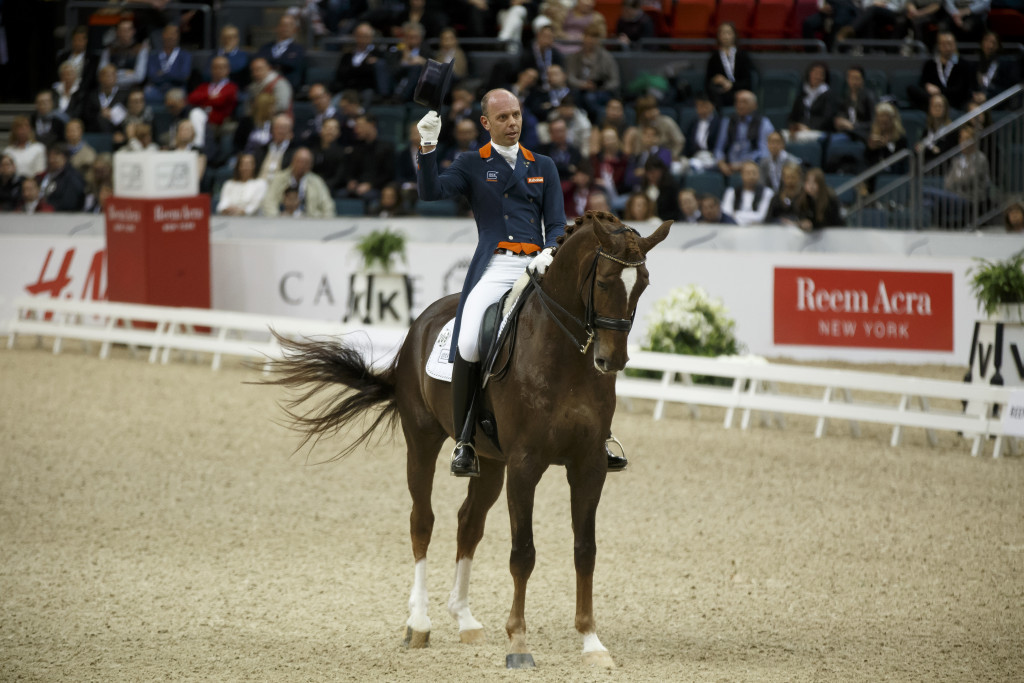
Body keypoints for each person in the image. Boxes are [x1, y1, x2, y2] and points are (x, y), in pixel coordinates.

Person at [417, 89, 629, 477]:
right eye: (503, 118)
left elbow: (557, 221)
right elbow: (431, 192)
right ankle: (465, 440)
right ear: (486, 124)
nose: (512, 123)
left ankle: (601, 432)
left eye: (516, 115)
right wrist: (428, 144)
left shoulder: (542, 163)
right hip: (497, 265)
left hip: (541, 262)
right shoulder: (471, 163)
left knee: (584, 323)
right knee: (468, 339)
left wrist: (552, 250)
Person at [565, 23, 621, 122]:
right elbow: (570, 77)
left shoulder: (607, 57)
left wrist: (600, 86)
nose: (591, 41)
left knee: (590, 97)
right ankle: (581, 121)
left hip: (601, 91)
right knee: (574, 96)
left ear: (599, 40)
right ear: (584, 37)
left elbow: (615, 81)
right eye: (589, 37)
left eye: (594, 38)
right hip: (579, 90)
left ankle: (597, 121)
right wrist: (582, 84)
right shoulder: (575, 57)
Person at [908, 31, 976, 111]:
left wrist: (939, 91)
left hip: (953, 100)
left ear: (955, 45)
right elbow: (923, 83)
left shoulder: (964, 65)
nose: (947, 47)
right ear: (938, 45)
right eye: (943, 44)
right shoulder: (930, 64)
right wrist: (927, 87)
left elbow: (962, 89)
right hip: (932, 98)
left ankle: (939, 106)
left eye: (949, 44)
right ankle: (935, 106)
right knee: (911, 89)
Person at [715, 90, 775, 178]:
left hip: (753, 165)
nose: (740, 105)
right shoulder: (727, 122)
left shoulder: (763, 123)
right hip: (728, 166)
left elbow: (765, 152)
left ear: (755, 105)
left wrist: (744, 164)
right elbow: (719, 148)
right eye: (738, 102)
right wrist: (721, 163)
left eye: (744, 102)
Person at [262, 147, 336, 218]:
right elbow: (269, 202)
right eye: (299, 161)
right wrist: (276, 218)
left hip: (311, 222)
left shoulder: (317, 181)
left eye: (306, 162)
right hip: (283, 220)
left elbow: (328, 206)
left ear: (310, 165)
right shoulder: (279, 179)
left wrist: (323, 223)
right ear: (293, 161)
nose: (302, 165)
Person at [343, 112, 395, 207]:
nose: (356, 130)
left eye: (360, 126)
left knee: (368, 195)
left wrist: (370, 185)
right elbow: (350, 171)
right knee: (342, 194)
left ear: (371, 125)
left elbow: (388, 174)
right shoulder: (356, 148)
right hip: (358, 187)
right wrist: (351, 181)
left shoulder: (386, 147)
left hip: (377, 187)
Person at [330, 23, 388, 104]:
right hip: (347, 90)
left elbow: (374, 76)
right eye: (359, 36)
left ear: (371, 38)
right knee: (335, 102)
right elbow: (340, 74)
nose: (362, 39)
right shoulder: (347, 55)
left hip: (366, 90)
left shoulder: (377, 54)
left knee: (367, 96)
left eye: (365, 36)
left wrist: (354, 71)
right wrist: (363, 67)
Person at [704, 22, 755, 109]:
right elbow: (708, 81)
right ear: (718, 36)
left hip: (739, 91)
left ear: (734, 35)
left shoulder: (742, 56)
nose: (726, 36)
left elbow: (747, 81)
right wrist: (716, 80)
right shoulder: (714, 57)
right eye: (723, 33)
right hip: (720, 94)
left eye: (729, 33)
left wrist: (731, 85)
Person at [787, 61, 836, 142]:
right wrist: (793, 127)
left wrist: (808, 127)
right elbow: (792, 116)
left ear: (824, 77)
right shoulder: (802, 94)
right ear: (809, 74)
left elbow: (827, 119)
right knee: (782, 136)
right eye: (814, 73)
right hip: (800, 129)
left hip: (818, 131)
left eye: (820, 74)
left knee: (799, 138)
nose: (817, 76)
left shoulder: (828, 95)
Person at [256, 13, 307, 91]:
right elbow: (258, 61)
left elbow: (291, 63)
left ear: (295, 29)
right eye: (283, 25)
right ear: (277, 27)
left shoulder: (298, 49)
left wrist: (269, 64)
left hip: (288, 88)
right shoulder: (265, 47)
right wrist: (280, 63)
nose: (285, 28)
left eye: (289, 25)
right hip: (263, 87)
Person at [145, 24, 192, 104]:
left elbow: (184, 76)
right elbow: (151, 76)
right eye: (168, 33)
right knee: (147, 93)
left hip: (177, 88)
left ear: (178, 36)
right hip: (157, 88)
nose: (170, 37)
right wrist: (174, 74)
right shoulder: (154, 56)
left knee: (176, 97)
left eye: (174, 34)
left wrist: (163, 73)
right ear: (163, 35)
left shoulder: (185, 55)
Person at [188, 56, 239, 129]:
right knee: (196, 114)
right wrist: (210, 97)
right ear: (211, 69)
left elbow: (220, 101)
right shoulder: (204, 86)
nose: (218, 70)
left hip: (218, 121)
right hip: (202, 117)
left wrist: (202, 101)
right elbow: (191, 98)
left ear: (228, 69)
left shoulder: (231, 87)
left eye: (221, 68)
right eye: (215, 67)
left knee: (196, 114)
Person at [832, 66, 877, 144]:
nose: (854, 82)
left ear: (862, 80)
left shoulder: (869, 97)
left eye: (857, 78)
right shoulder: (845, 96)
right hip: (848, 132)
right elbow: (841, 113)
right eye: (851, 78)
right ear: (847, 79)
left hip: (863, 133)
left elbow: (874, 122)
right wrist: (840, 120)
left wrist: (853, 126)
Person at [99, 19, 148, 89]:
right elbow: (101, 73)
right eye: (122, 30)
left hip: (131, 89)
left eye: (127, 30)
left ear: (133, 31)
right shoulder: (109, 49)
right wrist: (125, 73)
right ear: (117, 32)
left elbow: (139, 77)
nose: (124, 33)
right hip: (110, 88)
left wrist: (113, 75)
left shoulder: (140, 49)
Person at [721, 161, 774, 225]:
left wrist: (736, 214)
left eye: (754, 173)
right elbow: (727, 214)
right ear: (742, 175)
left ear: (758, 175)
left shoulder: (767, 192)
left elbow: (761, 216)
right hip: (735, 229)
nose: (751, 176)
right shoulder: (731, 192)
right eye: (748, 173)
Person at [37, 143, 86, 212]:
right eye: (50, 157)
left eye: (55, 157)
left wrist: (50, 208)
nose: (52, 160)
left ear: (65, 158)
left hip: (65, 217)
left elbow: (70, 203)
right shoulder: (48, 175)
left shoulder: (72, 177)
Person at [82, 65, 128, 134]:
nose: (109, 78)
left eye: (112, 75)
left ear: (116, 78)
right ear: (99, 78)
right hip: (95, 133)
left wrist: (112, 114)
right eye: (106, 75)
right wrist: (100, 113)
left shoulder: (124, 95)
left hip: (116, 133)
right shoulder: (91, 96)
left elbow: (127, 116)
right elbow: (86, 115)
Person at [684, 95, 722, 173]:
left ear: (712, 106)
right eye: (699, 105)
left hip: (711, 156)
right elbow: (687, 142)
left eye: (704, 105)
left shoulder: (719, 123)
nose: (701, 108)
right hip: (694, 156)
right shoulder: (693, 123)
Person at [254, 114, 296, 182]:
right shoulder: (262, 149)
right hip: (260, 184)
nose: (280, 131)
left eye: (284, 128)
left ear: (290, 131)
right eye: (278, 127)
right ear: (272, 130)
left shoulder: (294, 151)